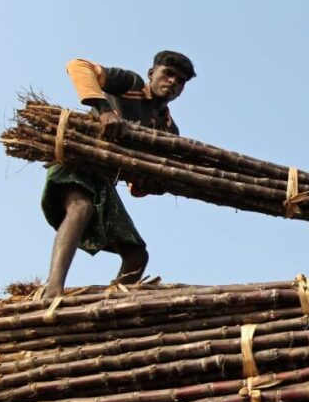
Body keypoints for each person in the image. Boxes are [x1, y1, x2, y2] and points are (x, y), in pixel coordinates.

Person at [40, 51, 197, 299]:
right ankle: (53, 289)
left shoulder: (167, 129)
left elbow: (139, 184)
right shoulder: (130, 85)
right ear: (151, 74)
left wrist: (150, 184)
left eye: (180, 80)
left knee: (137, 255)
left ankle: (107, 304)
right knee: (81, 208)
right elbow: (79, 65)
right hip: (78, 161)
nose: (173, 82)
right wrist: (103, 109)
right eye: (168, 74)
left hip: (103, 182)